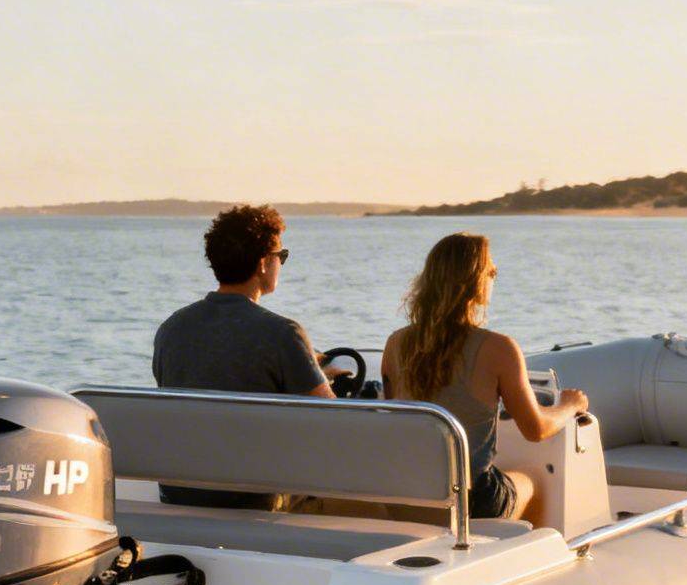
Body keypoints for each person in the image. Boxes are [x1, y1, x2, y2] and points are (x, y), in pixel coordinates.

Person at [382, 232, 588, 521]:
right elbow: (536, 429)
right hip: (470, 503)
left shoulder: (395, 344)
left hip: (407, 497)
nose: (494, 277)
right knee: (533, 481)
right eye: (492, 271)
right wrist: (570, 405)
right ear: (475, 282)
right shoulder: (498, 348)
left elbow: (397, 417)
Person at [153, 204, 335, 509]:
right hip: (254, 499)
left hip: (180, 494)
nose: (281, 264)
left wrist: (308, 367)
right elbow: (336, 423)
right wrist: (319, 377)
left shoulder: (171, 329)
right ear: (264, 263)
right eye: (282, 257)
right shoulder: (283, 333)